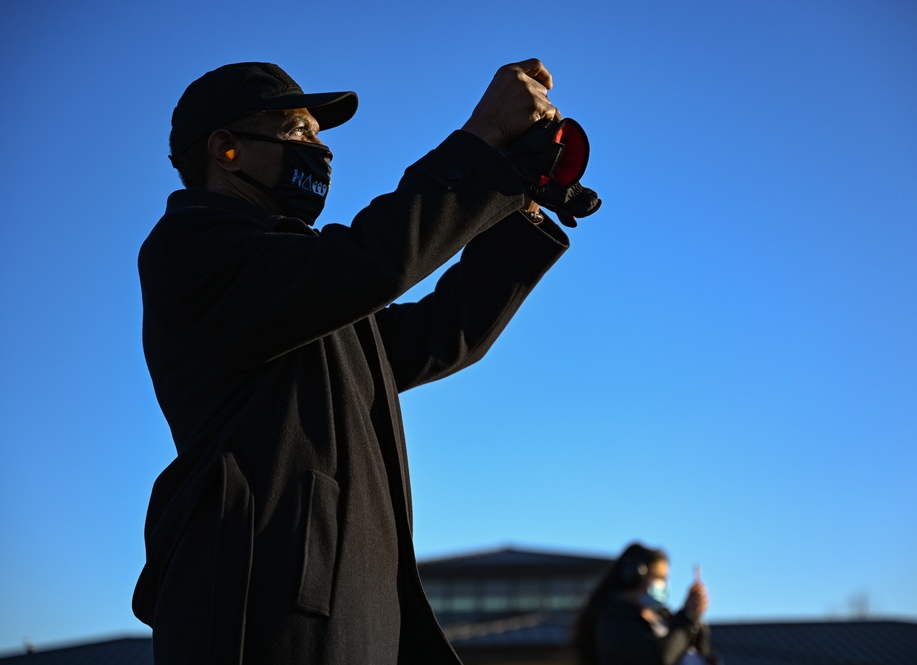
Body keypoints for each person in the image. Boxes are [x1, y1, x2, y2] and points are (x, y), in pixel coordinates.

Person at [131, 60, 588, 664]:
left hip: (348, 611)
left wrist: (519, 200)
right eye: (299, 132)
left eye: (320, 135)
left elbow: (442, 333)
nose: (320, 149)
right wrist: (481, 142)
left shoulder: (306, 286)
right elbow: (372, 262)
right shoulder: (191, 249)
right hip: (259, 614)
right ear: (226, 149)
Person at [571, 543, 719, 665]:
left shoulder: (664, 618)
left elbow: (703, 655)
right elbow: (659, 657)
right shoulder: (612, 620)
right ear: (634, 575)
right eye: (658, 577)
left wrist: (695, 625)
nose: (663, 585)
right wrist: (687, 615)